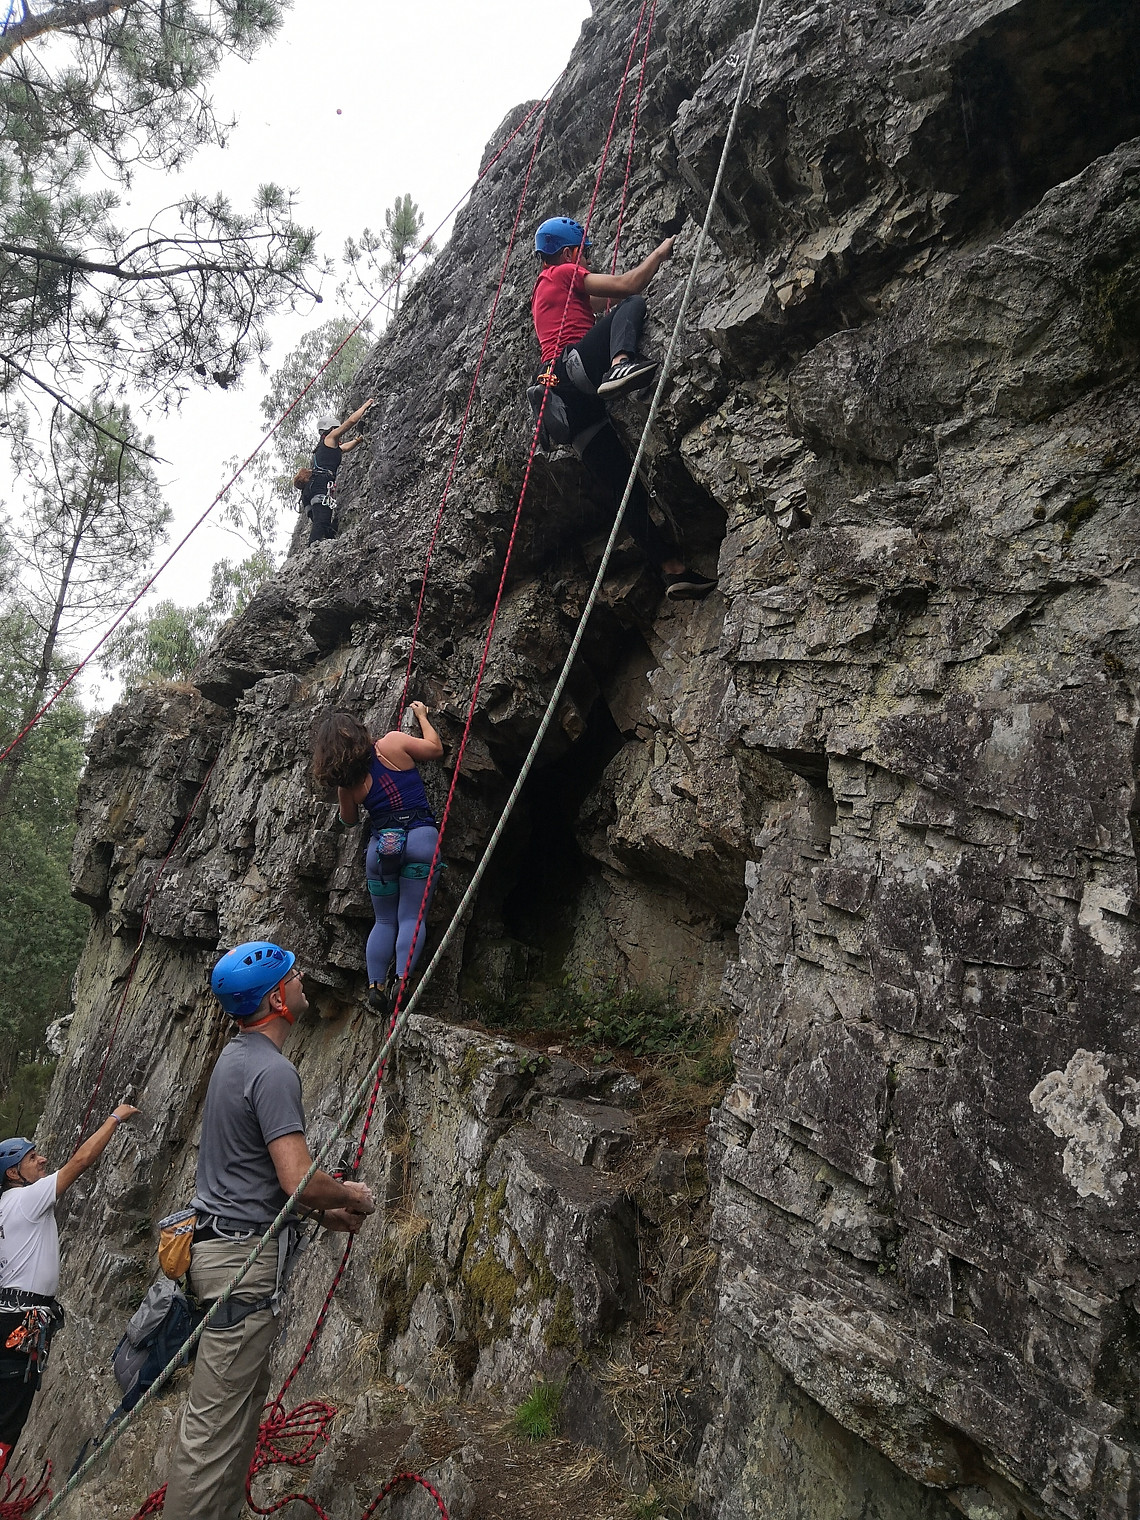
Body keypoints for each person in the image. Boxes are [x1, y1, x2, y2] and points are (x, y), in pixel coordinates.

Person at [163, 942, 375, 1520]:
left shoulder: (234, 1058)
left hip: (223, 1253)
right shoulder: (273, 1071)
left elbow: (252, 1176)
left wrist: (323, 1215)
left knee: (234, 1424)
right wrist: (349, 1196)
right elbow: (298, 1178)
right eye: (292, 975)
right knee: (211, 1436)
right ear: (278, 998)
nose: (302, 978)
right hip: (242, 1265)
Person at [530, 216, 717, 600]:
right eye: (584, 254)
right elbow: (629, 287)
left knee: (624, 489)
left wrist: (610, 298)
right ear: (569, 253)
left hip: (569, 409)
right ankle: (620, 364)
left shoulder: (546, 290)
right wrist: (661, 253)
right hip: (574, 373)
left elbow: (601, 301)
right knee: (633, 303)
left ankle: (672, 569)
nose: (586, 261)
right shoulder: (564, 272)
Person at [0, 1104, 139, 1476]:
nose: (42, 1160)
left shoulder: (6, 1206)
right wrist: (114, 1119)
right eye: (32, 1158)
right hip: (21, 1323)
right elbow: (80, 1162)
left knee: (7, 1413)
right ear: (13, 1173)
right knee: (9, 1421)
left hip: (12, 1317)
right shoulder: (26, 1199)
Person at [311, 704, 444, 1016]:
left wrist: (351, 794)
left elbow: (350, 821)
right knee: (411, 918)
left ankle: (376, 986)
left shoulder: (347, 786)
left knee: (384, 920)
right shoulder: (392, 743)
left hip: (383, 850)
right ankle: (402, 979)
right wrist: (422, 716)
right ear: (359, 731)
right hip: (421, 839)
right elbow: (435, 749)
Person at [292, 396, 375, 545]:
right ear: (331, 429)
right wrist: (365, 406)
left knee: (324, 525)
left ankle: (322, 542)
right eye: (336, 428)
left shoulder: (324, 448)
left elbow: (345, 448)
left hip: (310, 490)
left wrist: (358, 440)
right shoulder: (330, 438)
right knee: (321, 522)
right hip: (320, 485)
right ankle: (313, 549)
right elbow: (350, 422)